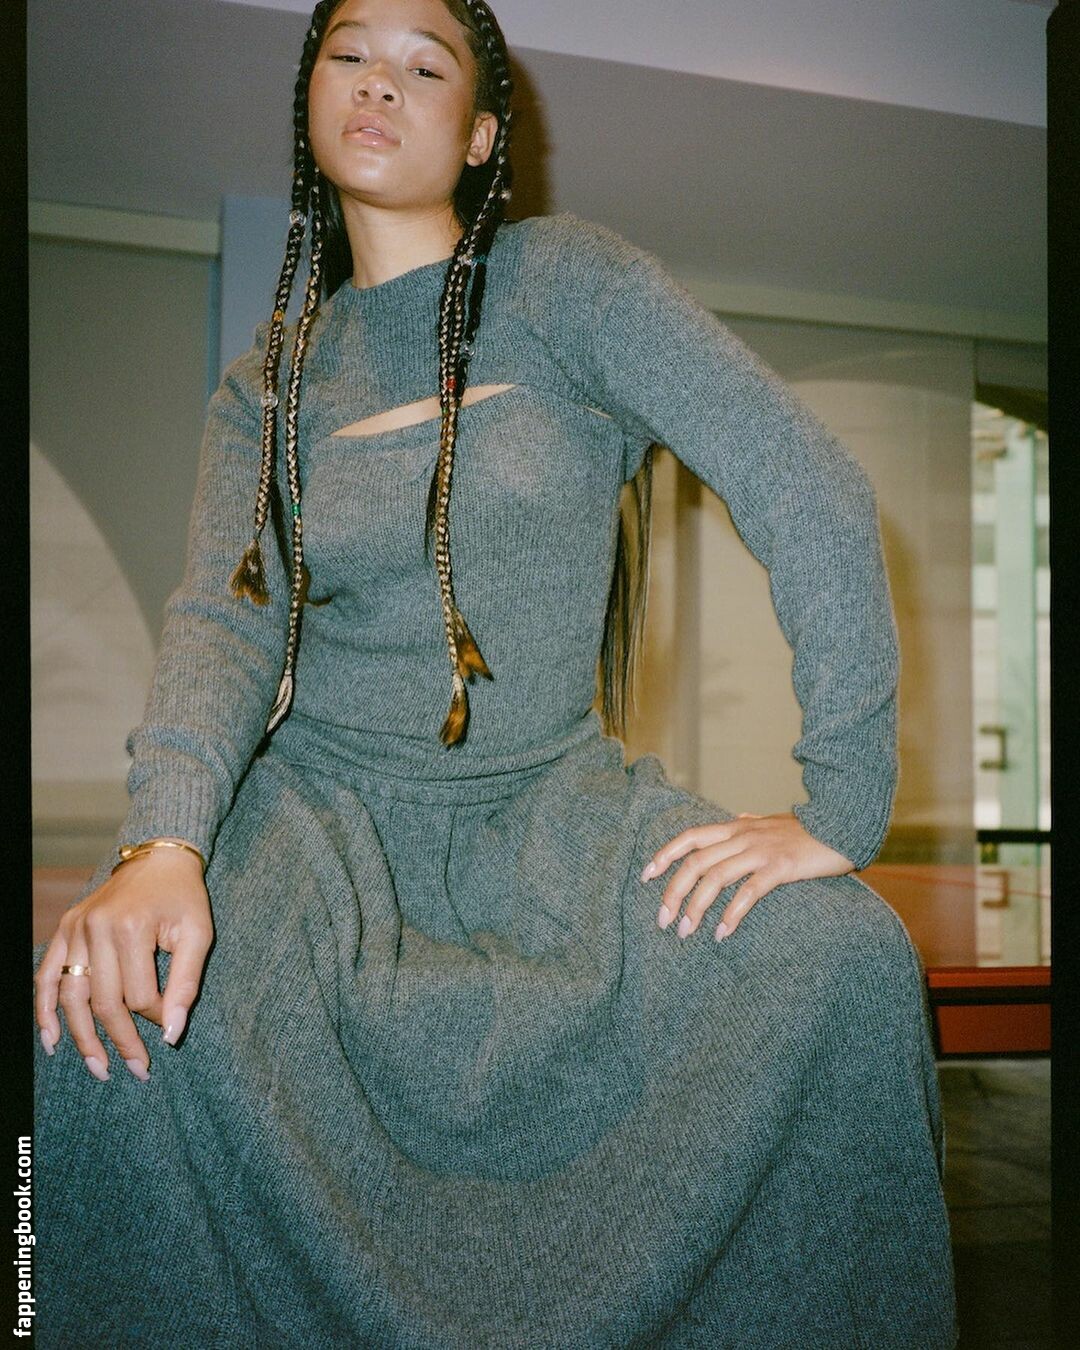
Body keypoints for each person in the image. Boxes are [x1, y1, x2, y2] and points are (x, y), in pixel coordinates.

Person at [31, 0, 958, 1344]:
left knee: (847, 960)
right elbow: (222, 627)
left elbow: (805, 480)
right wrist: (160, 844)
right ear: (309, 96)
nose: (378, 83)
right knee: (100, 1009)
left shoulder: (571, 286)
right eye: (349, 54)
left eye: (425, 66)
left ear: (478, 135)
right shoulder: (267, 385)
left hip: (560, 815)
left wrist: (843, 803)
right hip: (323, 829)